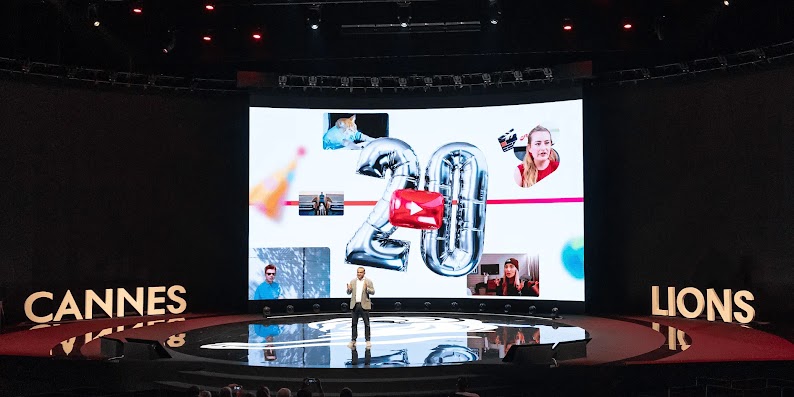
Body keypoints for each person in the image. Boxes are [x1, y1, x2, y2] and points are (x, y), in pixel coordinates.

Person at [346, 267, 374, 348]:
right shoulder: (353, 281)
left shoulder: (368, 281)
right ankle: (353, 340)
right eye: (358, 272)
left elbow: (373, 292)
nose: (359, 274)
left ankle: (368, 340)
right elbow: (348, 293)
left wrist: (367, 288)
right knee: (354, 324)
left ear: (364, 273)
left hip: (364, 305)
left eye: (360, 272)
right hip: (355, 305)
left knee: (367, 324)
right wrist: (348, 289)